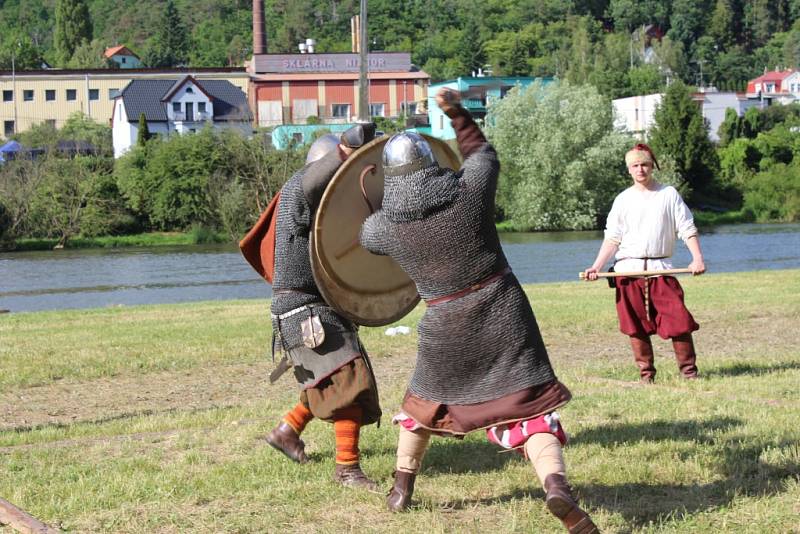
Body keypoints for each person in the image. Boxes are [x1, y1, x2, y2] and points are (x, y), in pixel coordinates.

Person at [359, 89, 597, 533]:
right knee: (529, 408)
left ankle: (401, 487)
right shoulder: (470, 193)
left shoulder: (387, 228)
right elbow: (482, 153)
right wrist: (457, 114)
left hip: (445, 326)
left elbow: (364, 232)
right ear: (431, 165)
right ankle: (556, 485)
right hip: (504, 311)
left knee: (421, 406)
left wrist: (372, 192)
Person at [264, 125, 382, 490]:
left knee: (327, 379)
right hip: (304, 310)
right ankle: (347, 469)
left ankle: (287, 432)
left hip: (313, 306)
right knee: (349, 380)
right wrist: (348, 147)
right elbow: (311, 180)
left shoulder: (319, 209)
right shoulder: (298, 192)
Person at [583, 143, 706, 383]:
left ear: (652, 167)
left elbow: (687, 228)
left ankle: (689, 372)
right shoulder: (622, 200)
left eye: (645, 165)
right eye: (635, 165)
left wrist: (697, 258)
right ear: (629, 169)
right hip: (628, 271)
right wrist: (596, 267)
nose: (640, 169)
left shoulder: (668, 194)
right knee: (634, 325)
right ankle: (646, 375)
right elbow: (612, 238)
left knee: (678, 320)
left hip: (661, 270)